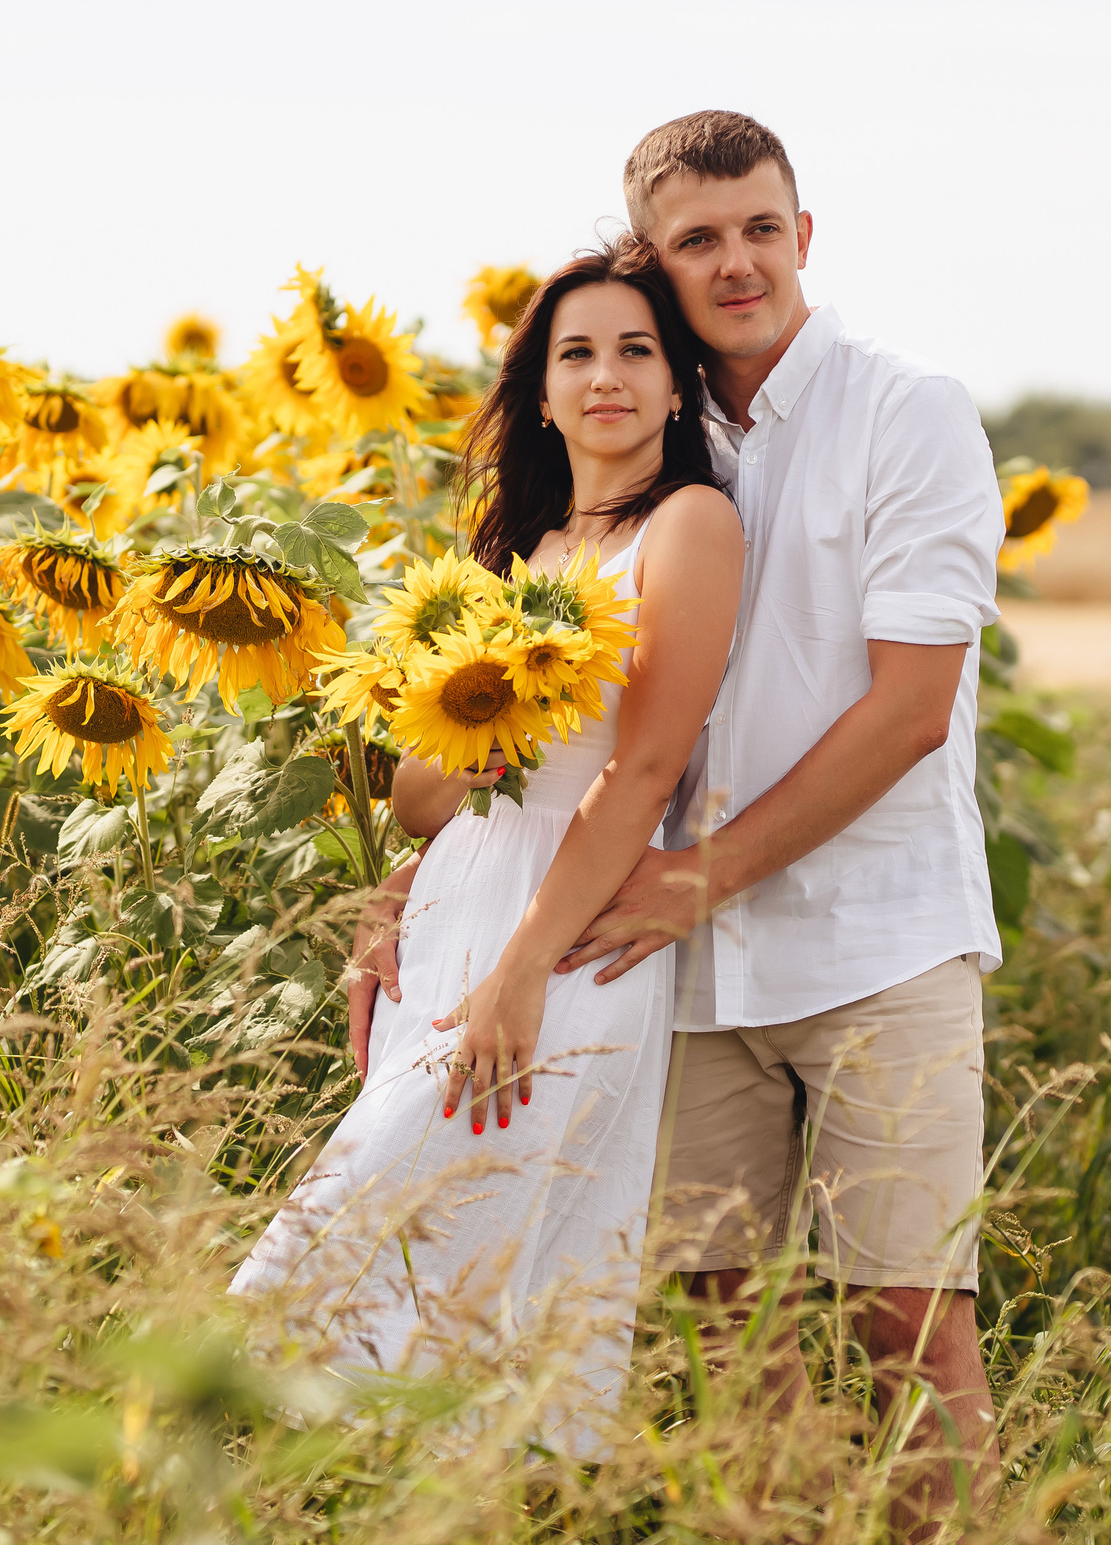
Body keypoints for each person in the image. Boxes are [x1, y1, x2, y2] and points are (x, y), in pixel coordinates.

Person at [349, 111, 1006, 1526]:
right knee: (722, 1332)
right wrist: (424, 886)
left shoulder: (909, 410)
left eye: (762, 227)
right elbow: (551, 731)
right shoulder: (639, 413)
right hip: (675, 967)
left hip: (872, 940)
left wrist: (697, 875)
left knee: (908, 1320)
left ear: (804, 234)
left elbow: (907, 712)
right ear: (658, 258)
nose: (740, 262)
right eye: (700, 239)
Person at [230, 238, 743, 1456]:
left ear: (680, 387)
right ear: (541, 386)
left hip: (563, 941)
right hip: (456, 919)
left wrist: (520, 968)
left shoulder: (688, 525)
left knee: (361, 1253)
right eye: (577, 353)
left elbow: (643, 773)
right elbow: (419, 793)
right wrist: (417, 859)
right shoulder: (518, 547)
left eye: (637, 351)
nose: (606, 376)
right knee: (432, 1294)